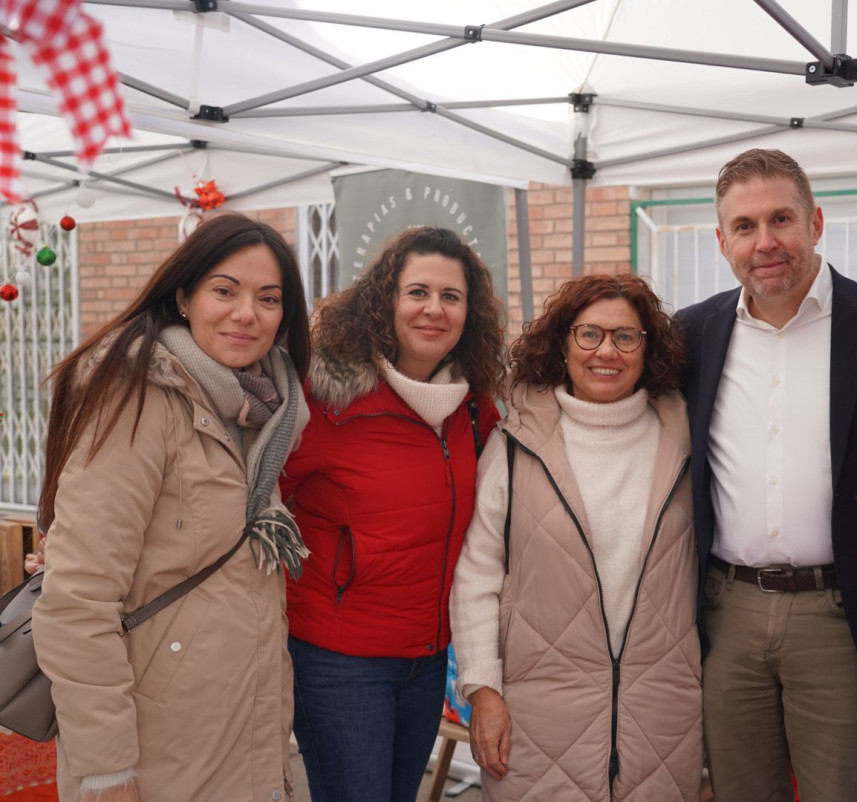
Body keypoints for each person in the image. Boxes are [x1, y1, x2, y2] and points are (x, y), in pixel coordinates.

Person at [32, 212, 311, 801]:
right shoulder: (138, 398)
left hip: (238, 735)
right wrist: (105, 769)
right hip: (152, 748)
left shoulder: (265, 416)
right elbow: (79, 597)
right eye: (224, 291)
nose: (247, 313)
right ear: (184, 297)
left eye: (268, 298)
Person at [675, 148, 857, 802]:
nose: (765, 242)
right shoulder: (691, 334)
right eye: (744, 226)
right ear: (722, 241)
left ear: (816, 222)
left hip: (843, 615)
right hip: (727, 613)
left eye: (781, 219)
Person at [450, 273, 702, 801]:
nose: (606, 351)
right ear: (562, 345)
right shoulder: (515, 444)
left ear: (647, 350)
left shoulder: (684, 439)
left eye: (626, 337)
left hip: (661, 714)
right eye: (589, 334)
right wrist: (483, 690)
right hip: (536, 714)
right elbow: (477, 574)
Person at [280, 226, 505, 802]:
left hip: (426, 661)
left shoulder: (475, 409)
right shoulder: (324, 400)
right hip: (339, 662)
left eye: (451, 297)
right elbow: (253, 503)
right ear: (385, 301)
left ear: (469, 313)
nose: (434, 309)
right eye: (418, 292)